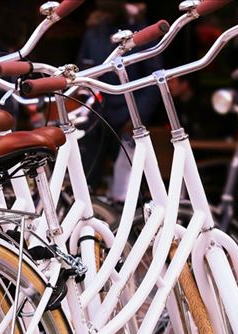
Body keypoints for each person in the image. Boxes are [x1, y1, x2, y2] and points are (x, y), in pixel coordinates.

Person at [77, 0, 163, 195]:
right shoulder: (94, 32)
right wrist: (85, 108)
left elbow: (153, 80)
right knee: (86, 181)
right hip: (97, 116)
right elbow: (82, 71)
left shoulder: (141, 32)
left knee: (130, 188)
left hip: (128, 117)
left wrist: (136, 117)